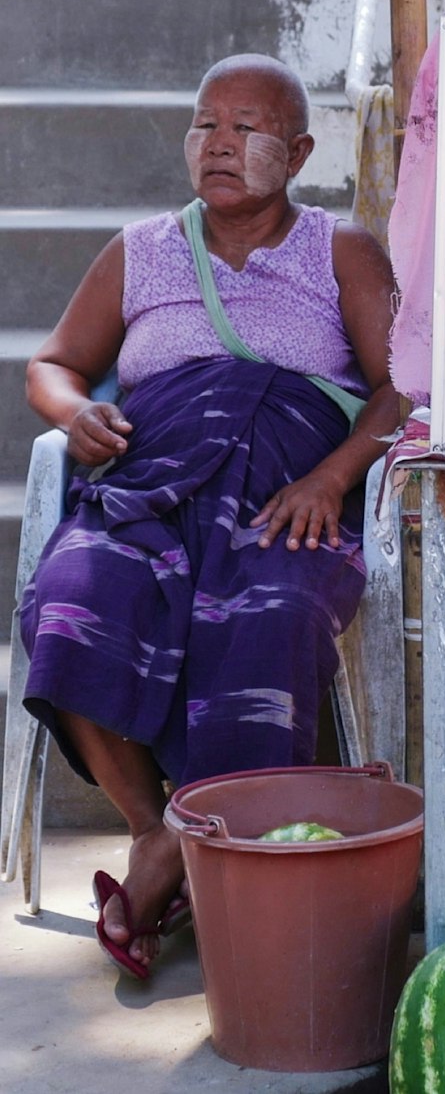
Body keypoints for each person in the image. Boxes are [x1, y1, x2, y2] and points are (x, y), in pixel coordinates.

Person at [19, 52, 402, 980]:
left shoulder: (340, 249)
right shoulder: (140, 249)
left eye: (248, 128)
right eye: (205, 123)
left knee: (270, 615)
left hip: (283, 501)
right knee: (70, 599)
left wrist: (331, 478)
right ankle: (163, 835)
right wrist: (77, 413)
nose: (219, 144)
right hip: (150, 490)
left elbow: (402, 389)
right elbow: (53, 365)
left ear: (300, 149)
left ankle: (199, 853)